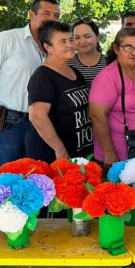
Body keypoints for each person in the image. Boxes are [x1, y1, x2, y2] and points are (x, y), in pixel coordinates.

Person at [0, 0, 61, 167]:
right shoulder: (8, 39)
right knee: (8, 181)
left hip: (45, 124)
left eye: (56, 16)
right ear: (31, 15)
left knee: (40, 179)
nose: (52, 19)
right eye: (46, 13)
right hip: (13, 125)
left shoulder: (55, 48)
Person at [90, 28, 135, 166]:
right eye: (127, 47)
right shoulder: (107, 77)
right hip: (119, 156)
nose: (134, 52)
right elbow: (96, 115)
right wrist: (109, 152)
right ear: (116, 49)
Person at [26, 21, 92, 163]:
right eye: (63, 41)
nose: (70, 45)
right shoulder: (43, 77)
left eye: (71, 39)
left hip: (79, 153)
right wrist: (59, 149)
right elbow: (37, 116)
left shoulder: (74, 71)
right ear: (48, 47)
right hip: (54, 156)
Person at [69, 17, 107, 87]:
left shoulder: (110, 62)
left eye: (87, 36)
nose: (82, 41)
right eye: (77, 38)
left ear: (98, 37)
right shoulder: (67, 64)